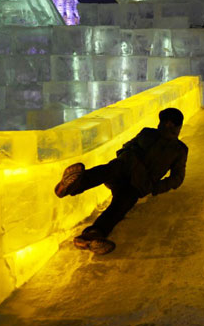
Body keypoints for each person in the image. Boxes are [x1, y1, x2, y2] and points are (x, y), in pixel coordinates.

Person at [54, 107, 188, 254]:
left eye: (165, 124)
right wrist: (127, 155)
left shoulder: (179, 149)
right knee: (108, 170)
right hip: (125, 167)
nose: (160, 126)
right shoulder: (148, 132)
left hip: (139, 184)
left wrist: (154, 187)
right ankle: (73, 184)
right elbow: (127, 146)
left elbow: (177, 178)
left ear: (173, 126)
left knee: (121, 205)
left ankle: (94, 234)